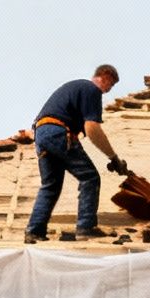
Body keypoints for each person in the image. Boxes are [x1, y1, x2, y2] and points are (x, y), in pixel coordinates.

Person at [25, 64, 130, 243]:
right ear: (104, 77)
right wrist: (114, 158)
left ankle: (34, 230)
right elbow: (92, 129)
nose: (107, 91)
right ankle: (86, 227)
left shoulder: (77, 91)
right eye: (110, 85)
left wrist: (110, 160)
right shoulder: (91, 90)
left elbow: (83, 140)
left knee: (50, 186)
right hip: (57, 132)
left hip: (42, 134)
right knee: (90, 178)